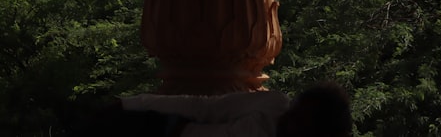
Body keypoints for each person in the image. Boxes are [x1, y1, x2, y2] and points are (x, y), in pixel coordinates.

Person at [72, 81, 352, 137]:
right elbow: (203, 107)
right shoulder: (273, 105)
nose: (289, 121)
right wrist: (131, 103)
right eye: (295, 112)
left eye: (302, 122)